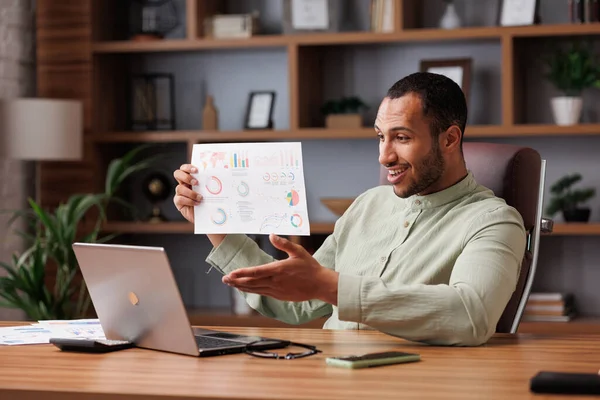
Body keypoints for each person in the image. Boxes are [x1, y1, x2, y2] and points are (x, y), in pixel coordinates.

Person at [173, 72, 526, 347]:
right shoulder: (367, 205)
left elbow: (470, 315)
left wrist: (333, 287)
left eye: (401, 138)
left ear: (449, 139)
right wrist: (212, 219)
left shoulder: (495, 221)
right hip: (328, 379)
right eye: (380, 137)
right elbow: (297, 305)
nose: (384, 156)